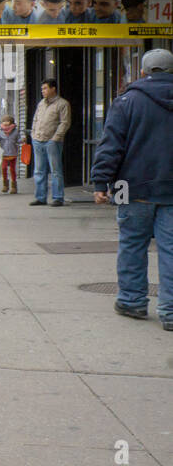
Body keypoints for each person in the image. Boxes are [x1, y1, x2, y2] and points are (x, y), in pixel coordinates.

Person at [91, 48, 173, 331]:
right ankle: (171, 310)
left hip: (130, 186)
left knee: (131, 244)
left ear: (143, 71)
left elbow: (111, 145)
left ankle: (132, 300)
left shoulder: (126, 101)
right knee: (171, 249)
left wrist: (101, 183)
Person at [30, 79, 70, 206]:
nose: (43, 91)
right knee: (39, 170)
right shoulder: (41, 104)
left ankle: (58, 197)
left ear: (53, 89)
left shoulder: (62, 104)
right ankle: (40, 197)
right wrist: (33, 134)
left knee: (55, 171)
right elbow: (35, 119)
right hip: (38, 139)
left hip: (52, 141)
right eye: (42, 89)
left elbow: (65, 122)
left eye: (45, 88)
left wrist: (56, 138)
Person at [0, 114, 21, 194]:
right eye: (4, 121)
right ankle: (5, 185)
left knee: (12, 169)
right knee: (4, 168)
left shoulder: (15, 131)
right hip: (3, 153)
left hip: (13, 152)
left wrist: (22, 140)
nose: (5, 123)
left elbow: (18, 140)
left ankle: (14, 186)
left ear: (11, 122)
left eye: (7, 121)